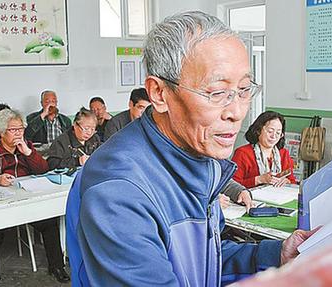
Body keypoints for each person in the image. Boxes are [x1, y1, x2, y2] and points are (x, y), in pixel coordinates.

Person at [73, 11, 316, 286]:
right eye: (216, 93)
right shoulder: (119, 191)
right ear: (159, 94)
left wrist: (275, 255)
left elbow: (203, 261)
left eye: (244, 89)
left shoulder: (201, 158)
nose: (236, 112)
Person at [0, 109, 70, 286]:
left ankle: (57, 266)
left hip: (27, 197)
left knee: (49, 223)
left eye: (21, 129)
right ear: (1, 131)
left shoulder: (26, 145)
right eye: (13, 130)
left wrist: (28, 152)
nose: (18, 133)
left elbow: (43, 170)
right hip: (5, 200)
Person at [232, 111, 297, 189]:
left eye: (278, 133)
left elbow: (292, 181)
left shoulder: (283, 153)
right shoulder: (243, 153)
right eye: (270, 131)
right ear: (258, 130)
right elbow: (232, 186)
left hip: (277, 197)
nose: (273, 136)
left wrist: (286, 181)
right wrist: (259, 179)